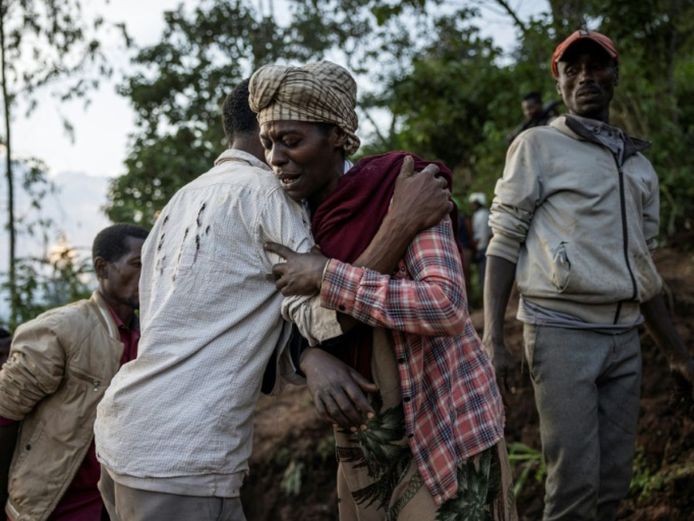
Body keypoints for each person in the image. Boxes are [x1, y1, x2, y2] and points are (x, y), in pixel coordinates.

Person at [93, 79, 451, 521]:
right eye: (279, 138)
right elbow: (327, 319)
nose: (281, 156)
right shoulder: (267, 195)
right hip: (182, 454)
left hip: (124, 432)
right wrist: (399, 224)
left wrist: (306, 359)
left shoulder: (177, 202)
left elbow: (219, 322)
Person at [249, 61, 516, 521]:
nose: (276, 158)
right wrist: (308, 359)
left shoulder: (402, 186)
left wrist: (327, 274)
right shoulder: (289, 219)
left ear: (336, 135)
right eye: (269, 143)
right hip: (365, 434)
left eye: (292, 141)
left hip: (443, 414)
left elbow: (445, 304)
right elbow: (285, 317)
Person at [484, 30, 694, 521]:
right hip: (561, 333)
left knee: (614, 479)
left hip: (625, 337)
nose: (585, 77)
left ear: (614, 75)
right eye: (571, 69)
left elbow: (645, 266)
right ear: (558, 83)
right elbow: (504, 238)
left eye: (596, 67)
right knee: (574, 484)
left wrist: (679, 356)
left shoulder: (639, 165)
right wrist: (494, 338)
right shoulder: (537, 145)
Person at [0, 223, 148, 521]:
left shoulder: (150, 337)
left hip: (119, 505)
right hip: (55, 506)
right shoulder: (62, 330)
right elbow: (5, 412)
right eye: (137, 264)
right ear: (102, 268)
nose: (149, 275)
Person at [469, 192, 492, 291]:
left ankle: (482, 293)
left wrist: (477, 247)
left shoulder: (479, 215)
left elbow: (480, 234)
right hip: (487, 246)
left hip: (481, 247)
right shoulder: (487, 213)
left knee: (482, 272)